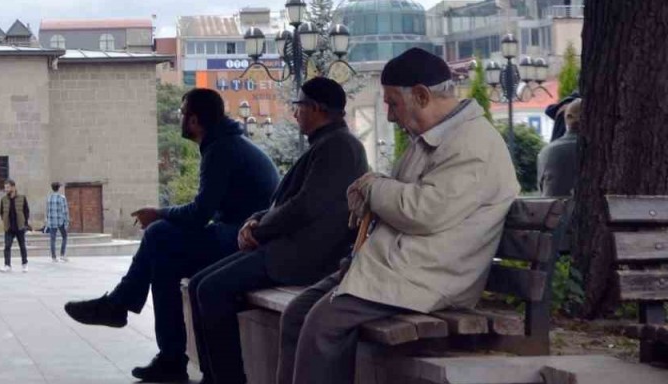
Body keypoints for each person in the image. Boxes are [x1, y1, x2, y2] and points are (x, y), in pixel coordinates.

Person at [277, 48, 519, 384]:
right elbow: (402, 195)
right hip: (401, 266)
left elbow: (423, 211)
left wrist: (373, 188)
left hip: (430, 276)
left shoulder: (473, 144)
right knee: (297, 313)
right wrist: (373, 189)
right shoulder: (436, 137)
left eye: (392, 103)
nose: (390, 115)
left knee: (323, 326)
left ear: (421, 95)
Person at [65, 88, 280, 383]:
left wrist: (160, 213)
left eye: (181, 114)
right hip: (238, 234)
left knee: (158, 235)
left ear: (193, 121)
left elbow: (199, 213)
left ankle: (122, 308)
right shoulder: (227, 143)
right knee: (163, 259)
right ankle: (169, 357)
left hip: (243, 240)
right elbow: (203, 213)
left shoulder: (221, 149)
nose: (179, 119)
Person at [188, 77, 368, 384]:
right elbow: (286, 201)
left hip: (306, 256)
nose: (294, 113)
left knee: (211, 289)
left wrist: (259, 229)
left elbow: (306, 206)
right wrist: (254, 220)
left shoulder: (340, 147)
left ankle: (228, 379)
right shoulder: (325, 143)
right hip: (288, 247)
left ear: (317, 108)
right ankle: (213, 376)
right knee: (198, 284)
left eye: (298, 105)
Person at [538, 98, 582, 196]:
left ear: (567, 118)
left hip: (553, 209)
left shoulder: (547, 151)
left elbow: (542, 186)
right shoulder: (602, 150)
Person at [0, 179, 31, 273]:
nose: (6, 189)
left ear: (13, 187)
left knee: (22, 246)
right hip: (9, 227)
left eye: (8, 187)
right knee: (7, 246)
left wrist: (24, 223)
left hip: (20, 226)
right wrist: (5, 220)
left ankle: (24, 264)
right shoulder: (3, 199)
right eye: (5, 187)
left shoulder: (22, 197)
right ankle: (7, 265)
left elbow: (26, 211)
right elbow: (1, 212)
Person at [46, 182, 70, 262]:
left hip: (52, 221)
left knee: (52, 239)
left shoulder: (49, 198)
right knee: (65, 237)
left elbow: (47, 210)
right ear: (59, 188)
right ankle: (62, 255)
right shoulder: (62, 198)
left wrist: (47, 220)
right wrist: (67, 221)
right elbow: (65, 211)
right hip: (60, 221)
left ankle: (53, 257)